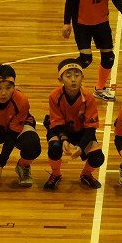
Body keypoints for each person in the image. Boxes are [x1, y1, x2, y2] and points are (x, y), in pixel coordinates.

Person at [43, 58, 105, 190]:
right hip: (60, 130)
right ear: (60, 79)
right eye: (68, 76)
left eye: (77, 75)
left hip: (82, 131)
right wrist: (64, 139)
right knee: (54, 148)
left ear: (83, 77)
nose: (73, 80)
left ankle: (86, 174)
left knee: (97, 157)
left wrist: (81, 147)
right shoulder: (54, 96)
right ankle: (55, 174)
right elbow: (56, 123)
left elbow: (91, 128)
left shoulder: (88, 97)